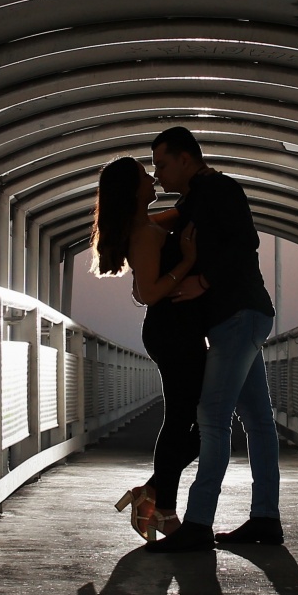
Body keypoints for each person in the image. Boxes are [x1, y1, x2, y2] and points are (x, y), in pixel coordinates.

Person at [144, 127, 284, 552]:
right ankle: (265, 518)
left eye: (162, 164)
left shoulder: (218, 189)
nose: (157, 174)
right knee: (257, 420)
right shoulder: (195, 198)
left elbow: (246, 242)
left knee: (211, 417)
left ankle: (199, 522)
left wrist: (204, 280)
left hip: (237, 316)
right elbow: (160, 225)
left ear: (186, 159)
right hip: (240, 316)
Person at [88, 157, 208, 541]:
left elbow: (183, 214)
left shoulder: (150, 225)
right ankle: (161, 506)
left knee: (198, 420)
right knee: (187, 421)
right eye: (144, 176)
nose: (152, 177)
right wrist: (188, 261)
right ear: (132, 190)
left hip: (177, 331)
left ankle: (152, 493)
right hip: (171, 332)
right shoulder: (143, 233)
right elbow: (150, 293)